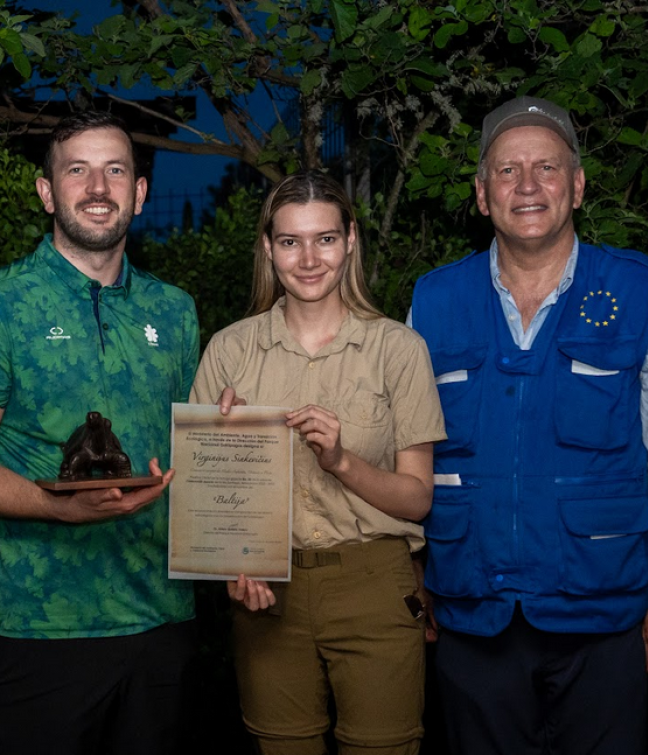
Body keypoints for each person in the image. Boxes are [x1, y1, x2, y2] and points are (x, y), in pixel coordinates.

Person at [409, 96, 648, 755]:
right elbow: (405, 456)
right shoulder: (433, 300)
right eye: (506, 170)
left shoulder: (641, 294)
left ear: (576, 187)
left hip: (603, 620)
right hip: (471, 617)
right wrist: (412, 579)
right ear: (480, 194)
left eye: (546, 168)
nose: (527, 185)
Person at [0, 110, 199, 755]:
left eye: (115, 170)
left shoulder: (176, 309)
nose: (97, 186)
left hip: (163, 619)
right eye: (76, 170)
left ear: (139, 192)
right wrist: (62, 506)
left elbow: (193, 452)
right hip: (41, 627)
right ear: (47, 192)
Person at [191, 171, 446, 755]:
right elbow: (204, 505)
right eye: (290, 241)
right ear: (267, 247)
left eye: (325, 239)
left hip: (374, 585)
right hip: (266, 591)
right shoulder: (229, 351)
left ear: (351, 240)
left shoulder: (398, 350)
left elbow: (418, 498)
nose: (308, 259)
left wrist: (339, 460)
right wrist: (233, 564)